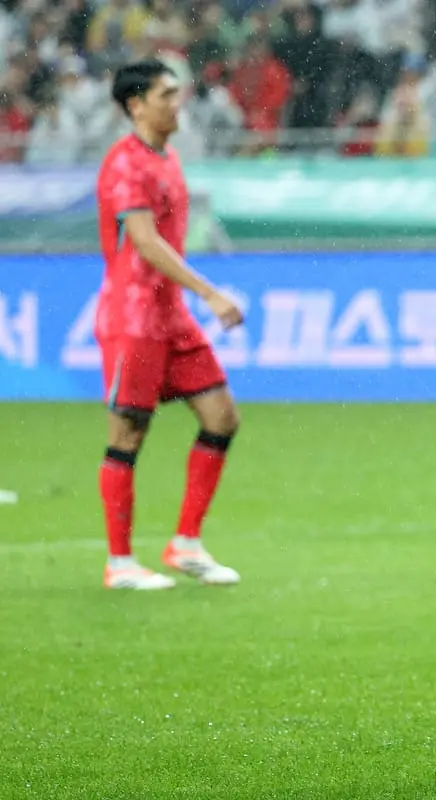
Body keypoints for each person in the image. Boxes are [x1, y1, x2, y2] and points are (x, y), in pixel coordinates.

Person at [95, 58, 245, 590]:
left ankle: (185, 543)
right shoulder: (124, 163)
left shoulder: (168, 158)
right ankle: (120, 563)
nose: (177, 103)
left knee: (221, 417)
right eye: (166, 95)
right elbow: (144, 241)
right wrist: (210, 292)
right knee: (129, 432)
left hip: (170, 316)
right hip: (133, 317)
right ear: (136, 105)